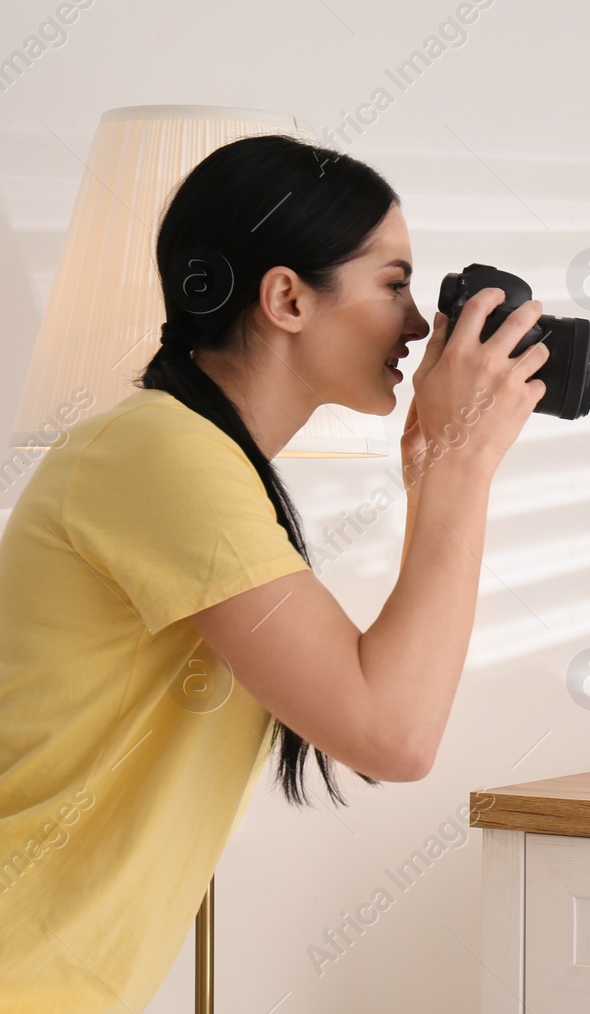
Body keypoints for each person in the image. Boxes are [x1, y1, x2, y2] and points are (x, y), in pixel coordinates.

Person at [0, 133, 548, 1011]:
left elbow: (383, 713)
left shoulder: (191, 455)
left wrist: (439, 466)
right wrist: (458, 464)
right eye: (396, 284)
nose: (417, 326)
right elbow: (393, 731)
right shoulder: (160, 452)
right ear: (287, 297)